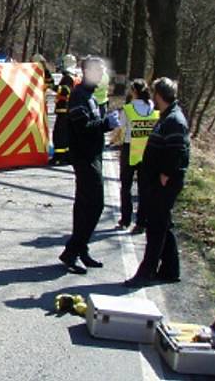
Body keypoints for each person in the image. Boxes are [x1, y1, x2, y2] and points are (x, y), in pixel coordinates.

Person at [124, 77, 190, 288]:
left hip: (165, 182)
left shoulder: (174, 120)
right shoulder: (167, 116)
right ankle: (170, 270)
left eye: (154, 93)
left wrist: (166, 173)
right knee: (163, 224)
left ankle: (146, 272)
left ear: (159, 95)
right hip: (156, 179)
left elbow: (178, 151)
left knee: (156, 228)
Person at [58, 56, 120, 274]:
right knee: (95, 205)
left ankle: (80, 249)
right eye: (99, 71)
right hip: (84, 157)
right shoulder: (78, 96)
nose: (102, 76)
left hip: (93, 155)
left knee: (85, 205)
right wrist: (106, 124)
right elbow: (82, 126)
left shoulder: (90, 95)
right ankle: (71, 252)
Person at [117, 79, 158, 233]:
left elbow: (121, 127)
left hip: (130, 149)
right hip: (147, 151)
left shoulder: (128, 109)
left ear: (134, 91)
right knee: (144, 188)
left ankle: (125, 219)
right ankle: (141, 222)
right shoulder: (153, 108)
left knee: (126, 186)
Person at [50, 54, 77, 165]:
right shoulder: (74, 76)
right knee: (66, 134)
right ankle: (67, 156)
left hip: (64, 110)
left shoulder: (67, 78)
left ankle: (59, 157)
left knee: (59, 135)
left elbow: (65, 90)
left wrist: (51, 86)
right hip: (69, 109)